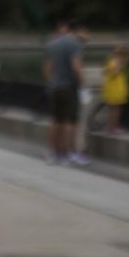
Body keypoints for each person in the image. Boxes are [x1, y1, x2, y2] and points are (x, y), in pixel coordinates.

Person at [43, 21, 90, 165]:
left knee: (55, 121)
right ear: (78, 31)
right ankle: (71, 153)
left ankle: (54, 153)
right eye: (86, 32)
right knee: (70, 122)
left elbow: (47, 67)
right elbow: (76, 67)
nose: (87, 36)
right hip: (68, 87)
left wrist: (51, 82)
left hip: (54, 87)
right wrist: (83, 85)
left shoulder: (52, 43)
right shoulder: (74, 44)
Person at [101, 44, 129, 133]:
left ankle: (111, 126)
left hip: (114, 88)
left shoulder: (111, 61)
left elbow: (105, 72)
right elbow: (115, 72)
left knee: (113, 109)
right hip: (115, 90)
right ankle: (113, 127)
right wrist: (120, 64)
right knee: (115, 109)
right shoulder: (115, 62)